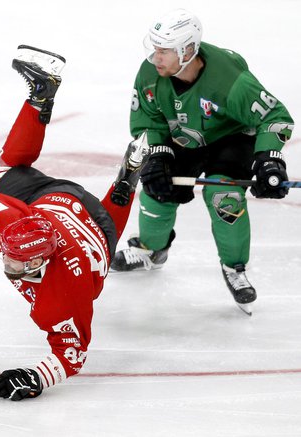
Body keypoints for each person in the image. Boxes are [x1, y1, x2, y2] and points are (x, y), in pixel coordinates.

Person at [0, 45, 148, 401]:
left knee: (103, 242)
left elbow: (71, 356)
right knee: (3, 173)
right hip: (52, 202)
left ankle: (125, 184)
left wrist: (35, 377)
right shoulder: (11, 227)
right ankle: (41, 94)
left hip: (90, 224)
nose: (7, 264)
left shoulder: (64, 293)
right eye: (6, 255)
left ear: (40, 262)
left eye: (16, 262)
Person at [110, 9, 294, 315]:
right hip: (183, 137)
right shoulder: (150, 74)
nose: (156, 58)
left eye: (165, 51)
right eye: (155, 49)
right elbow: (147, 119)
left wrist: (269, 160)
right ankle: (151, 249)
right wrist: (158, 153)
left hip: (231, 139)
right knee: (158, 185)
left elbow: (275, 117)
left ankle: (234, 266)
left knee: (225, 196)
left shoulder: (231, 80)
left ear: (189, 50)